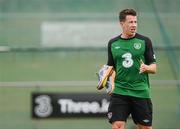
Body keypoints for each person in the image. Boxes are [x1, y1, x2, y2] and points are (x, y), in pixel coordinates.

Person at [106, 9, 157, 129]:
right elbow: (111, 68)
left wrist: (146, 67)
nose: (134, 25)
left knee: (145, 127)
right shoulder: (113, 43)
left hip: (140, 91)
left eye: (135, 22)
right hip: (120, 91)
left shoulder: (145, 41)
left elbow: (154, 68)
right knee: (117, 126)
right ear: (122, 23)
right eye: (130, 22)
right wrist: (108, 80)